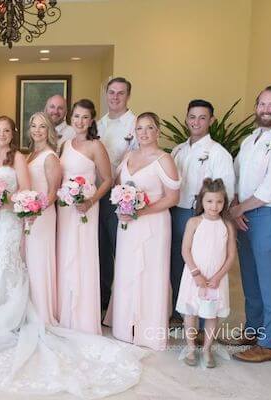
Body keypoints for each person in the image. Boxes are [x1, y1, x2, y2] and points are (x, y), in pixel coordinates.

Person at [0, 116, 143, 398]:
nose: (3, 133)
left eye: (7, 129)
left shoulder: (32, 156)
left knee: (12, 266)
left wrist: (4, 203)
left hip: (17, 219)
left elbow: (31, 191)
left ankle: (17, 314)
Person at [104, 112, 180, 351]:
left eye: (149, 128)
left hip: (154, 224)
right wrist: (123, 203)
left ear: (158, 132)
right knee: (126, 271)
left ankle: (147, 330)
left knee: (150, 273)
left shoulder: (164, 159)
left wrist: (141, 211)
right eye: (139, 128)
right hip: (127, 224)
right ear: (134, 132)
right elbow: (118, 188)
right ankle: (126, 326)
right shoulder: (128, 156)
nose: (144, 133)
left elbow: (173, 197)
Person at [228, 85, 271, 363]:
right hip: (245, 215)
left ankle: (269, 345)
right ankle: (253, 331)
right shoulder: (250, 138)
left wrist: (239, 208)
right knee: (251, 281)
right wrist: (234, 206)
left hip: (270, 216)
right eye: (262, 104)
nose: (266, 110)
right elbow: (236, 173)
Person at [170, 99, 235, 326]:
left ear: (211, 121)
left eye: (202, 117)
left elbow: (226, 191)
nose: (196, 122)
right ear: (187, 118)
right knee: (178, 265)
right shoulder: (178, 149)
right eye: (192, 117)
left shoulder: (218, 153)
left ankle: (199, 322)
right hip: (175, 213)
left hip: (201, 217)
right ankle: (181, 315)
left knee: (200, 266)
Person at [57, 99, 112, 334]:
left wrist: (90, 201)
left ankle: (82, 315)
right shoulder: (64, 144)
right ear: (71, 118)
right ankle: (64, 310)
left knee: (82, 256)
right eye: (76, 116)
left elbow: (108, 179)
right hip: (64, 209)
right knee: (65, 253)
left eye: (85, 117)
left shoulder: (96, 146)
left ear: (92, 121)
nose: (80, 121)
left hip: (85, 209)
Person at [176, 178, 236, 368]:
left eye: (219, 201)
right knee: (191, 312)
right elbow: (185, 250)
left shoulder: (227, 225)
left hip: (216, 278)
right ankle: (191, 347)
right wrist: (196, 274)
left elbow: (231, 255)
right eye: (209, 201)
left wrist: (218, 277)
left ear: (224, 202)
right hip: (195, 276)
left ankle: (207, 349)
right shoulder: (194, 222)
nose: (214, 206)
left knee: (212, 314)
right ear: (201, 201)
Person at [96, 77, 138, 312]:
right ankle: (104, 297)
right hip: (97, 193)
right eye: (111, 92)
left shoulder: (135, 124)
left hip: (121, 195)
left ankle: (124, 301)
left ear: (128, 96)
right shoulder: (99, 124)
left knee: (121, 247)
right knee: (100, 248)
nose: (115, 97)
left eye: (120, 93)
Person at [25, 112, 62, 325]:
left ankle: (41, 313)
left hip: (42, 217)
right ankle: (29, 308)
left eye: (42, 126)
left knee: (39, 261)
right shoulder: (30, 154)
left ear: (49, 130)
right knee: (29, 261)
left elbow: (52, 193)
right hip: (29, 214)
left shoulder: (50, 156)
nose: (37, 130)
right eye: (33, 125)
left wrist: (34, 212)